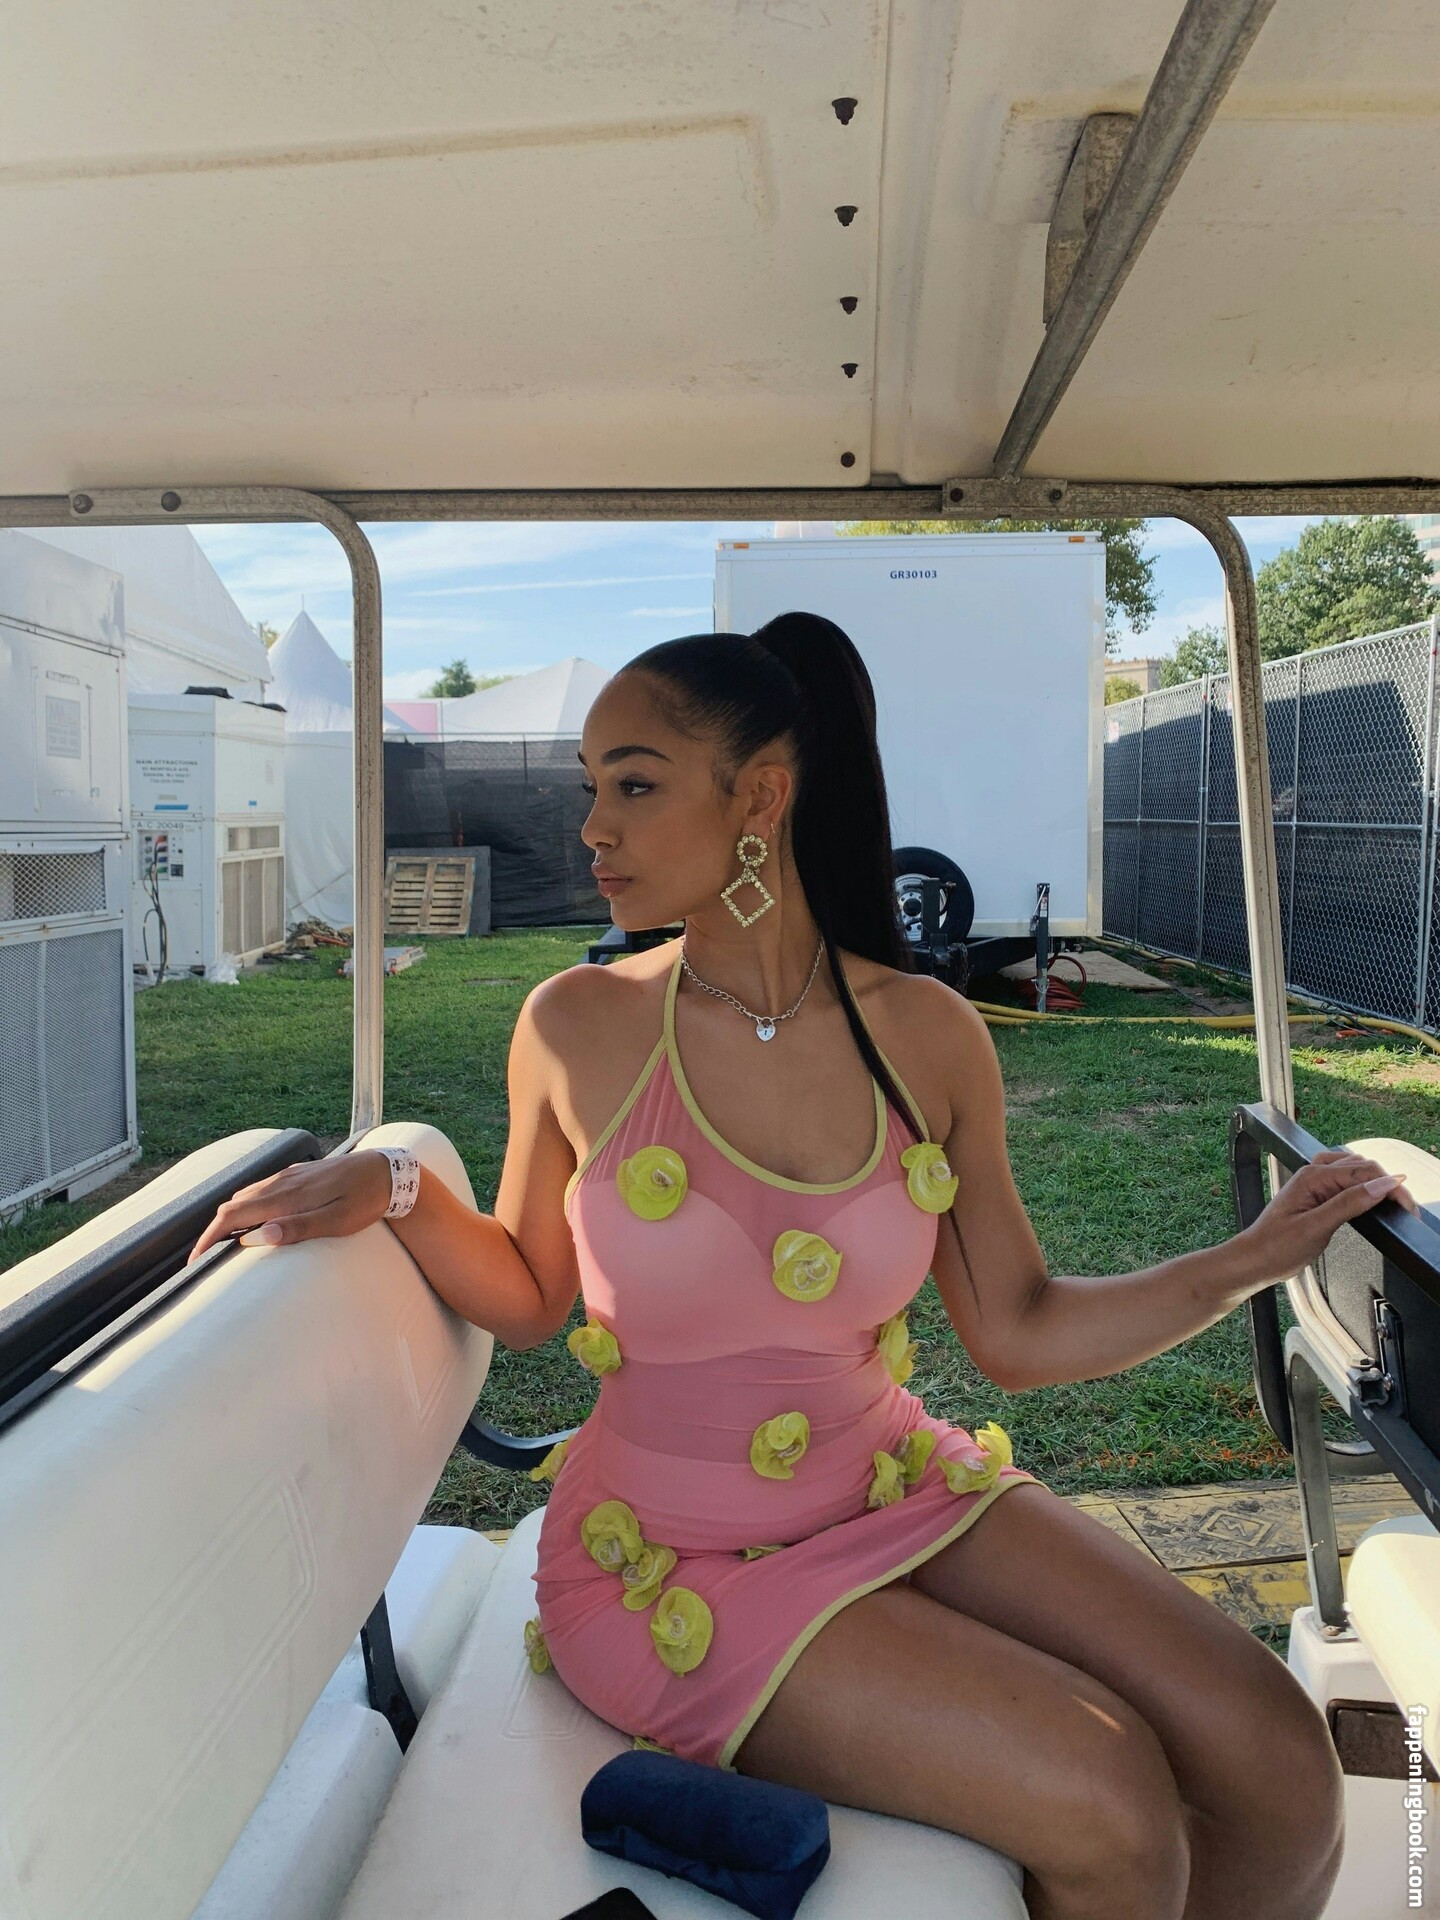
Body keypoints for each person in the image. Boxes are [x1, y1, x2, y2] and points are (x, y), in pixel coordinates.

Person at [189, 612, 1415, 1920]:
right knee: (1115, 1812)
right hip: (667, 1559)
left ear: (760, 798)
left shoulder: (927, 1035)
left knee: (1280, 1767)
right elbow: (534, 1296)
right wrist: (394, 1187)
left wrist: (1256, 1257)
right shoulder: (578, 1025)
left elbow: (1018, 1328)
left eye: (634, 786)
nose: (591, 828)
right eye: (592, 789)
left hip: (886, 1480)